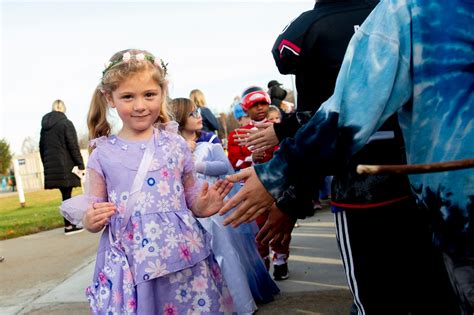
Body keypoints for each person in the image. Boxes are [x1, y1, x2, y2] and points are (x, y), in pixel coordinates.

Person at [220, 0, 473, 313]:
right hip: (431, 194)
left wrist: (282, 185)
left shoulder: (405, 11)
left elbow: (346, 114)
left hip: (383, 192)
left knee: (377, 301)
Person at [61, 49, 235, 314]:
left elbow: (190, 196)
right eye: (128, 97)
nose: (140, 105)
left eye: (149, 95)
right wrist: (89, 220)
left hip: (183, 257)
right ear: (110, 98)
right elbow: (93, 207)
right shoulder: (103, 154)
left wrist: (202, 206)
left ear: (162, 93)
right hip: (134, 262)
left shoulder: (176, 145)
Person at [171, 97, 279, 312]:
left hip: (217, 207)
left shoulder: (209, 140)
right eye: (192, 114)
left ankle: (242, 303)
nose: (199, 116)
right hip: (191, 210)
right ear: (180, 118)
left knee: (225, 253)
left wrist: (196, 163)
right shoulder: (171, 146)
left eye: (198, 112)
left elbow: (224, 166)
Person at [40, 99, 85, 235]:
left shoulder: (45, 127)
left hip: (53, 166)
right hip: (66, 165)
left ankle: (69, 224)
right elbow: (73, 145)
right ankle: (69, 226)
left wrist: (47, 166)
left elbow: (41, 148)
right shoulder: (66, 123)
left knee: (65, 195)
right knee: (67, 196)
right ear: (64, 109)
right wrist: (80, 163)